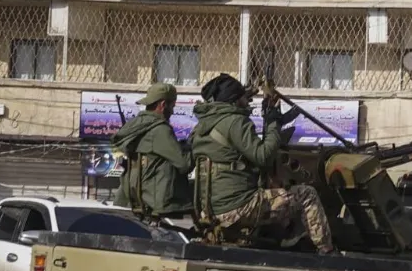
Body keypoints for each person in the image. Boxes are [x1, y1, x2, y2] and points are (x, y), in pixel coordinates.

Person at [190, 73, 334, 254]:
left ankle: (287, 240)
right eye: (244, 97)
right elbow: (263, 156)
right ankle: (327, 252)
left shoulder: (201, 127)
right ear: (234, 100)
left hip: (209, 210)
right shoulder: (235, 122)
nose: (248, 102)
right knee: (307, 194)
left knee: (273, 190)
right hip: (238, 208)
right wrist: (273, 121)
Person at [111, 83, 193, 220]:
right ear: (163, 104)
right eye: (172, 106)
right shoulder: (160, 130)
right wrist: (193, 149)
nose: (173, 112)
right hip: (154, 198)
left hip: (129, 194)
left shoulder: (134, 125)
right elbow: (184, 164)